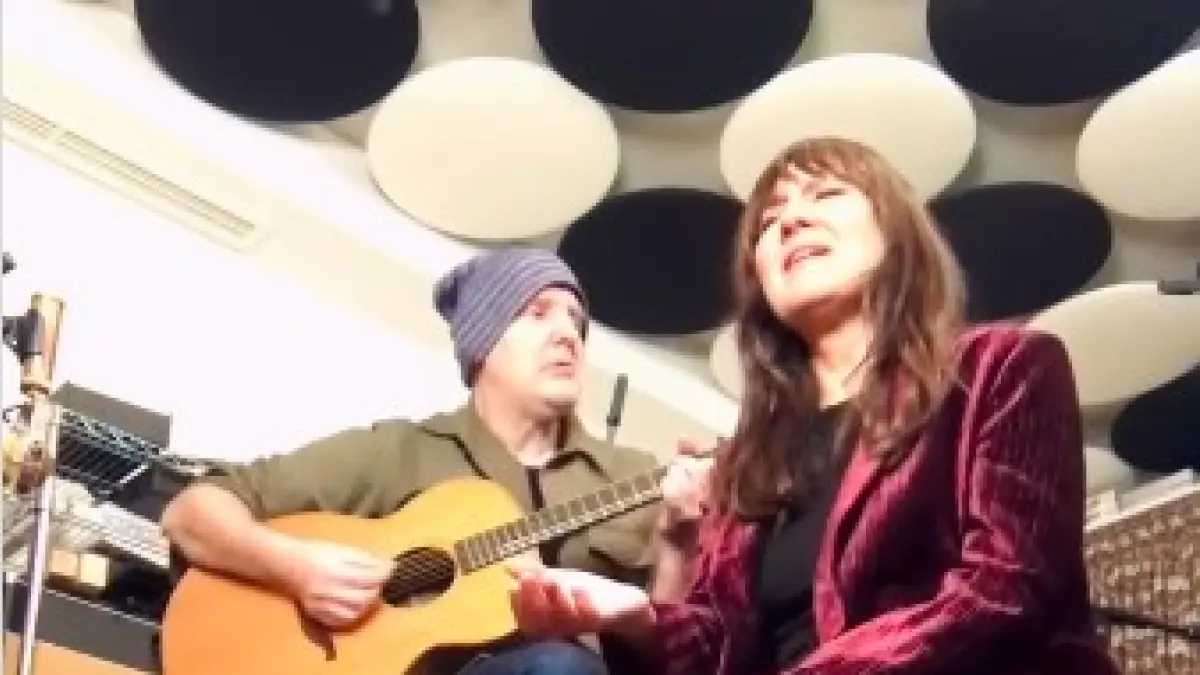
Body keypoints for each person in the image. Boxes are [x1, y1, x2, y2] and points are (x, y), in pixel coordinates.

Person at [505, 138, 1121, 675]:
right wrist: (638, 620)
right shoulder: (752, 462)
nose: (791, 222)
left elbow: (1007, 590)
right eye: (769, 221)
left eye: (825, 195)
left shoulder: (1002, 367)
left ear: (895, 231)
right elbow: (721, 646)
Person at [161, 247, 711, 675]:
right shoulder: (400, 450)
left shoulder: (635, 478)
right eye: (537, 314)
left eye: (576, 321)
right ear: (482, 345)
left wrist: (679, 543)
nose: (568, 334)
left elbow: (672, 658)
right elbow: (192, 513)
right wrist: (298, 569)